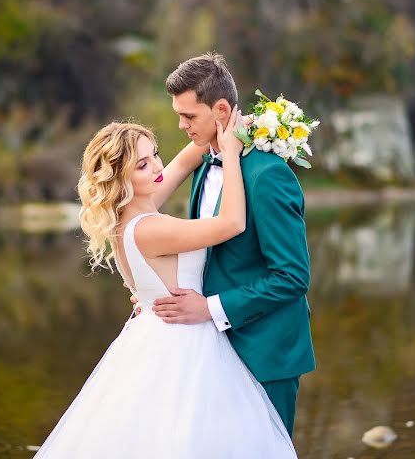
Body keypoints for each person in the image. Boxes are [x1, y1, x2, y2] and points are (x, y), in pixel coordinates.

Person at [32, 111, 297, 458]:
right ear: (120, 178)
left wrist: (240, 122)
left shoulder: (130, 213)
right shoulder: (150, 228)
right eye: (142, 165)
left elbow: (188, 157)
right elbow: (232, 222)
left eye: (154, 153)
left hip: (156, 333)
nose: (157, 167)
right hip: (184, 341)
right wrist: (231, 154)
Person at [151, 52, 315, 437]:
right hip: (214, 348)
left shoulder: (267, 175)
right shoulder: (206, 163)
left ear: (220, 110)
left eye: (189, 116)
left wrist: (208, 308)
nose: (181, 125)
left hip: (266, 351)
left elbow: (292, 277)